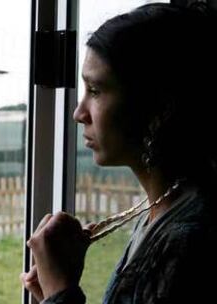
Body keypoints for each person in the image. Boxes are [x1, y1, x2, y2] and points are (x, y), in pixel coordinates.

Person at [20, 2, 217, 303]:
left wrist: (62, 294)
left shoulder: (190, 240)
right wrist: (53, 289)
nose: (78, 113)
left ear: (159, 107)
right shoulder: (159, 211)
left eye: (96, 91)